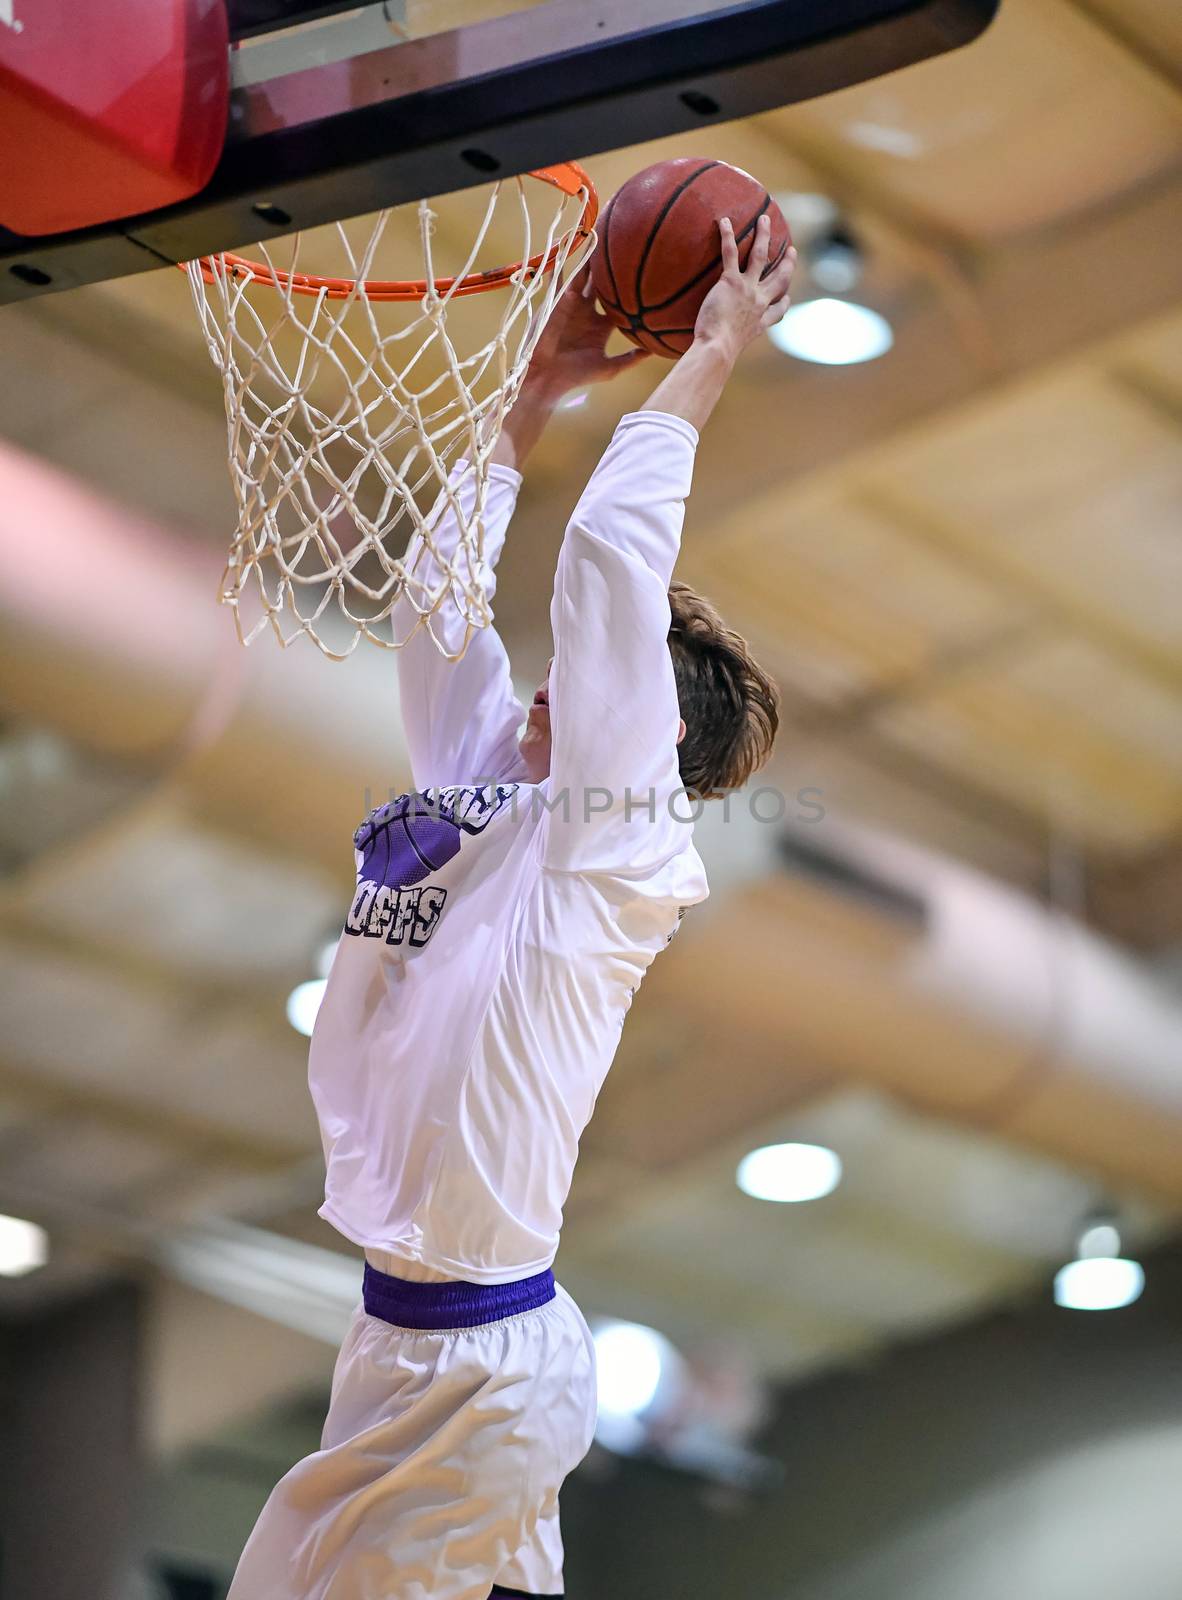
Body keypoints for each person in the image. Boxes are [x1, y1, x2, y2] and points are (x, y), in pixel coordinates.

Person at [227, 215, 793, 1600]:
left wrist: (711, 358)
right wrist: (520, 408)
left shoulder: (618, 848)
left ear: (642, 741)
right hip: (431, 1347)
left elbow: (606, 556)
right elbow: (436, 606)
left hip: (468, 1364)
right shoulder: (501, 798)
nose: (556, 684)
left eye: (596, 687)